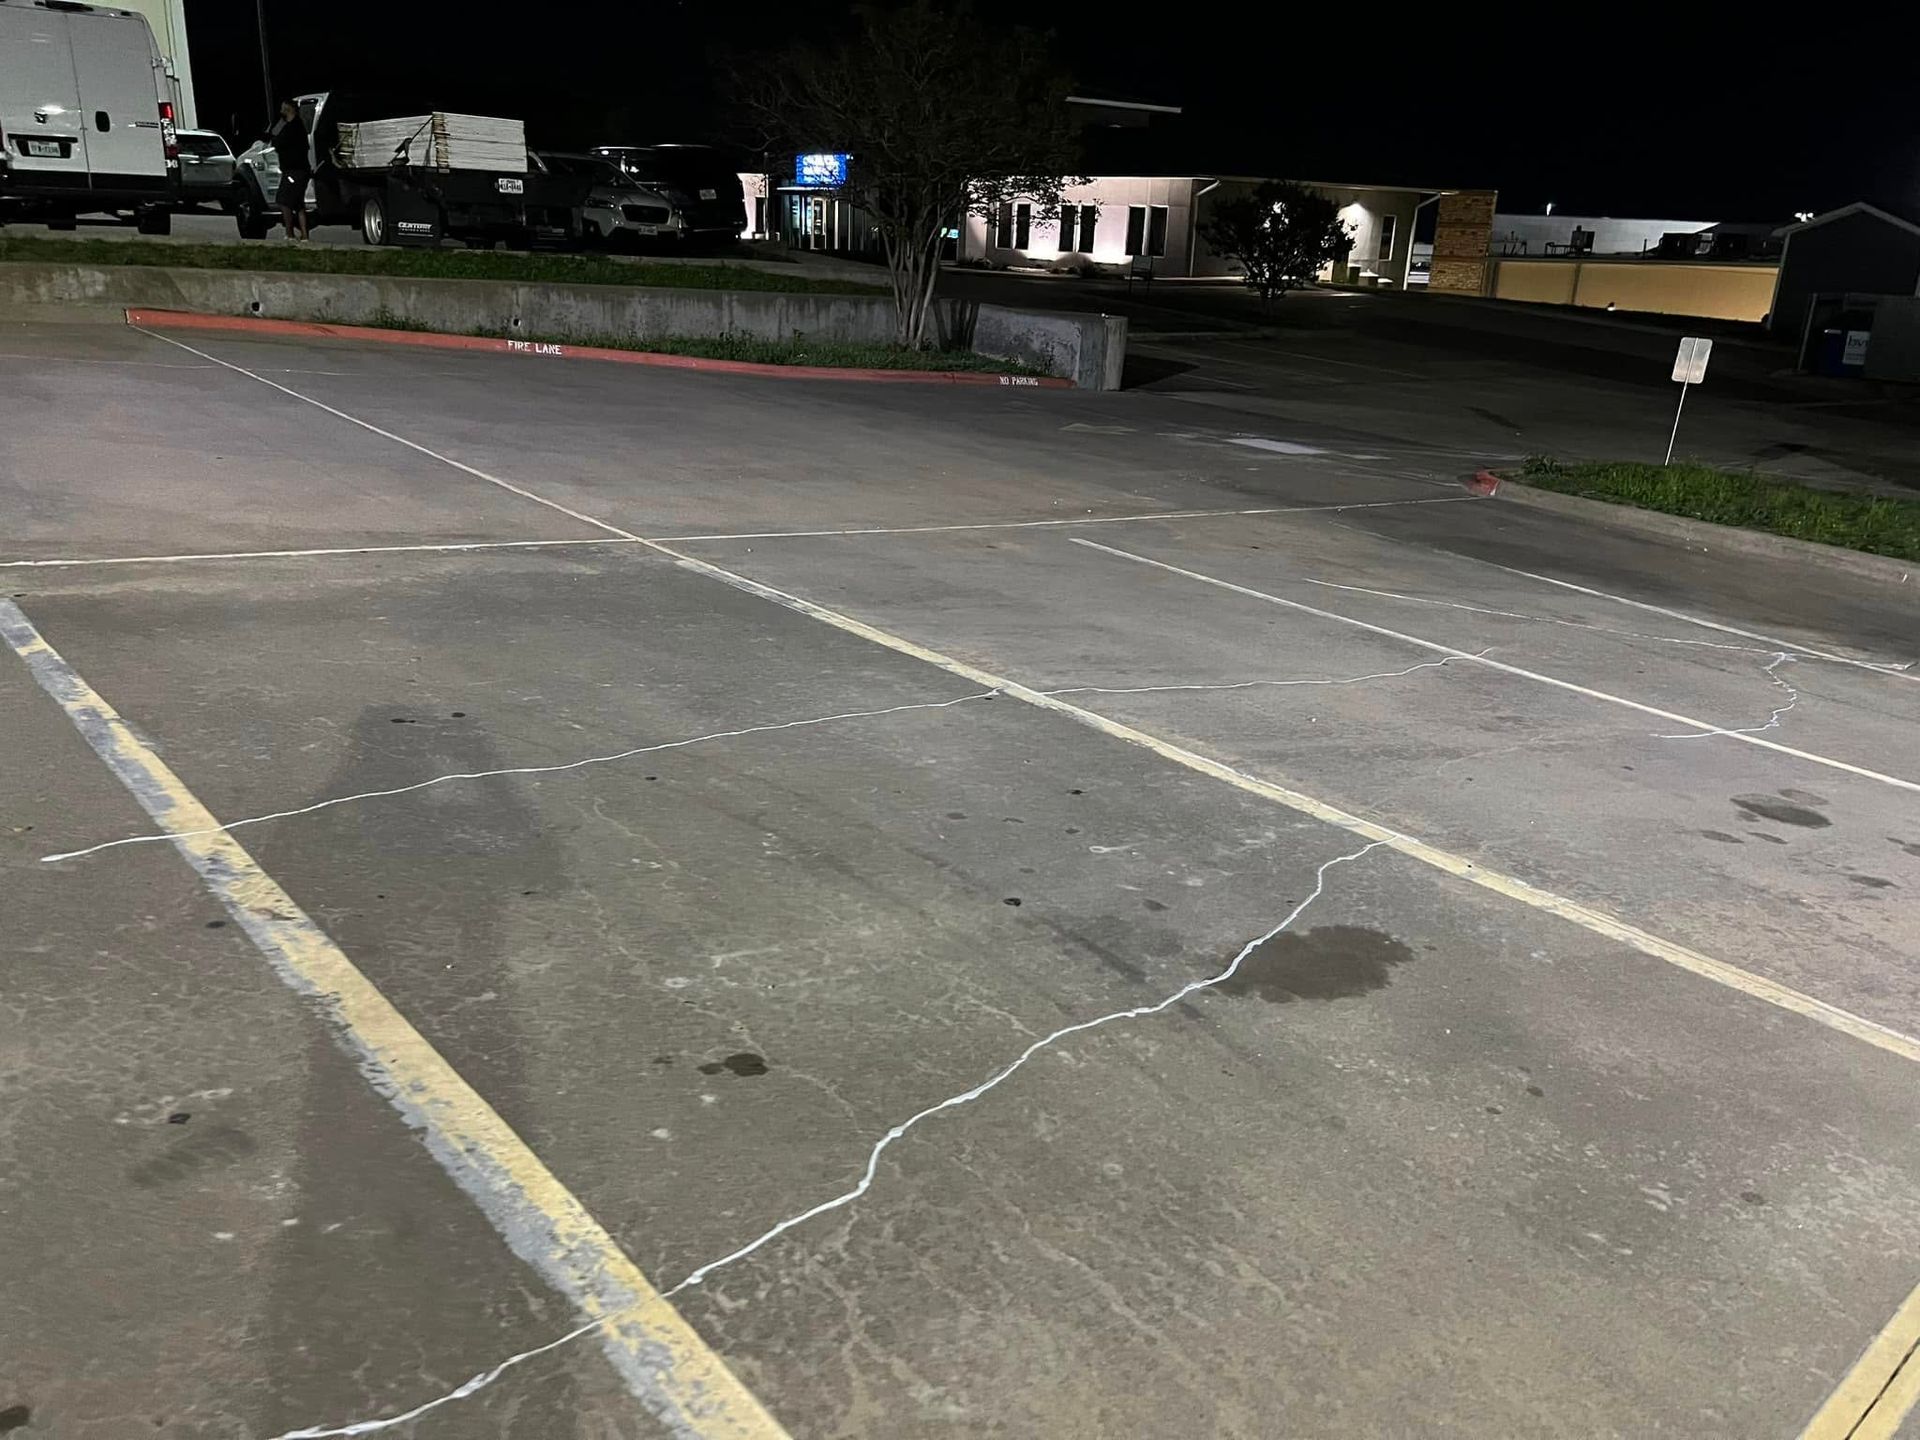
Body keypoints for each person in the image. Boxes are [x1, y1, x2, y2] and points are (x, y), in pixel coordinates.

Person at [269, 100, 310, 241]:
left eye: (282, 108)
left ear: (288, 109)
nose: (281, 111)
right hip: (301, 170)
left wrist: (280, 125)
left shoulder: (292, 128)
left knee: (284, 200)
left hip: (293, 171)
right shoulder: (299, 126)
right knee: (298, 204)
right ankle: (304, 235)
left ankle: (290, 233)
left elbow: (276, 142)